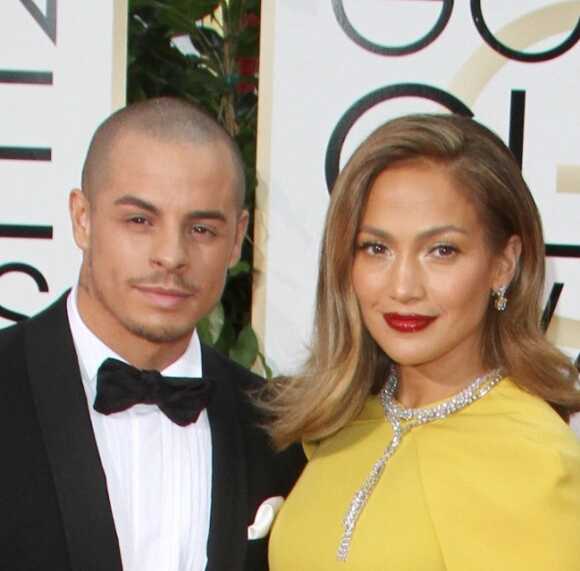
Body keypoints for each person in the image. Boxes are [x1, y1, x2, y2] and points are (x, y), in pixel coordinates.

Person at [0, 97, 304, 571]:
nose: (170, 255)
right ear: (82, 217)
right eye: (140, 220)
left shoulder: (278, 432)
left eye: (201, 228)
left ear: (237, 239)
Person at [264, 113, 580, 569]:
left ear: (504, 264)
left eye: (442, 251)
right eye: (376, 248)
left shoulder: (536, 461)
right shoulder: (337, 427)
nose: (404, 286)